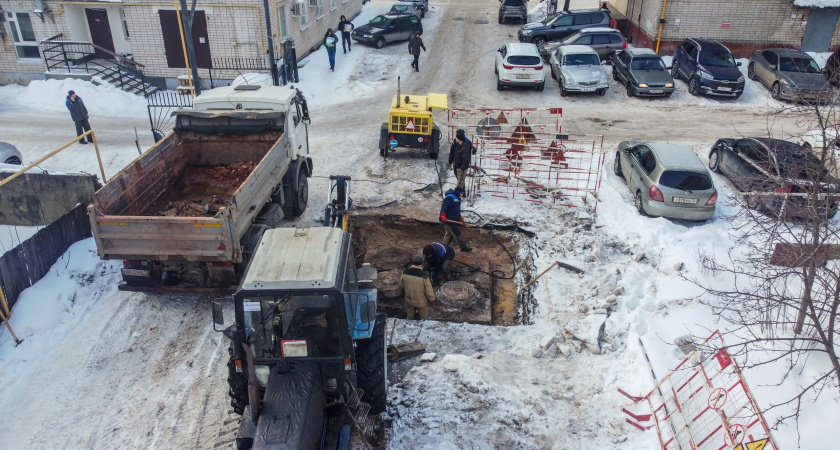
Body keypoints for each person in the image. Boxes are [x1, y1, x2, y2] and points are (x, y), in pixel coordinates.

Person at [399, 255, 435, 320]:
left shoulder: (405, 272)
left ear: (413, 263)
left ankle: (409, 324)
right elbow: (429, 292)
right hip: (421, 302)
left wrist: (401, 293)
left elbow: (401, 285)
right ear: (421, 264)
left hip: (409, 300)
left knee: (410, 317)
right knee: (424, 318)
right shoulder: (424, 276)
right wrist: (432, 300)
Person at [439, 186, 472, 252]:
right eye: (461, 193)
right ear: (458, 192)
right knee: (457, 234)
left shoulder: (457, 198)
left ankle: (443, 248)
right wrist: (442, 215)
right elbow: (444, 206)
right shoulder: (450, 198)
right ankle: (463, 248)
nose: (462, 195)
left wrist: (459, 218)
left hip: (454, 219)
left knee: (449, 235)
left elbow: (456, 210)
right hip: (449, 220)